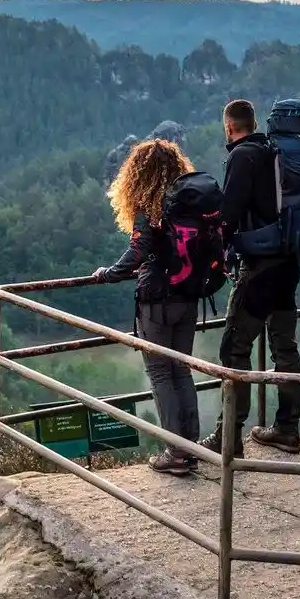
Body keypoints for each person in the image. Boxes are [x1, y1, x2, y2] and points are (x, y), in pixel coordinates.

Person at [92, 138, 222, 476]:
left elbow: (138, 251)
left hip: (157, 302)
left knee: (161, 373)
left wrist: (108, 274)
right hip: (190, 297)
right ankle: (189, 447)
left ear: (138, 174)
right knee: (181, 370)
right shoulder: (190, 204)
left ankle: (176, 454)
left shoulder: (150, 207)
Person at [210, 99, 300, 456]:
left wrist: (214, 255)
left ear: (230, 127)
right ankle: (287, 429)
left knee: (234, 348)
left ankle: (228, 437)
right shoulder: (275, 150)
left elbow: (228, 215)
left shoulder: (241, 156)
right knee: (285, 347)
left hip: (261, 266)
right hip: (289, 263)